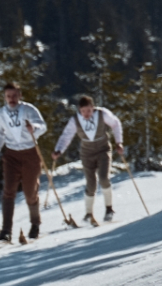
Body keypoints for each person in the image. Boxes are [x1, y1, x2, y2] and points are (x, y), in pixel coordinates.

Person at [0, 81, 47, 241]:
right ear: (5, 97)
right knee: (8, 190)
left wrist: (34, 128)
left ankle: (35, 224)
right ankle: (6, 230)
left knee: (30, 191)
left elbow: (43, 126)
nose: (11, 99)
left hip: (30, 153)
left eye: (14, 95)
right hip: (11, 155)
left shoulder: (28, 109)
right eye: (8, 96)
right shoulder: (0, 114)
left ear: (20, 95)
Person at [52, 95, 125, 224]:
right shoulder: (75, 120)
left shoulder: (102, 114)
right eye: (83, 111)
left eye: (89, 110)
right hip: (87, 153)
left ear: (93, 108)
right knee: (91, 184)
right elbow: (66, 136)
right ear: (79, 110)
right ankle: (88, 214)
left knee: (104, 178)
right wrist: (59, 150)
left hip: (103, 149)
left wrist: (119, 142)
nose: (86, 114)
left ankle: (109, 209)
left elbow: (116, 124)